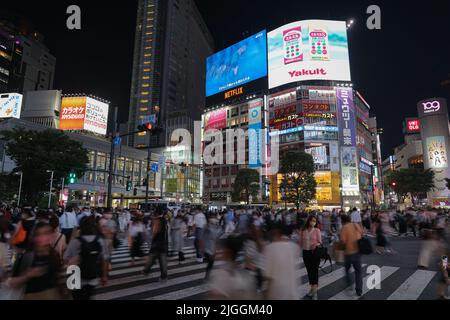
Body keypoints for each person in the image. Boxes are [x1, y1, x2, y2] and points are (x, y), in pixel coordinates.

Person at [7, 222, 64, 300]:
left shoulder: (54, 255)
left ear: (52, 235)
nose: (42, 237)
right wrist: (27, 276)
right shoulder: (26, 257)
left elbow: (59, 280)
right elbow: (11, 282)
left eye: (46, 233)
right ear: (33, 237)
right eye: (38, 234)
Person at [64, 216, 109, 300]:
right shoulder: (99, 240)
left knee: (76, 297)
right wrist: (104, 276)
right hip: (92, 276)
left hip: (75, 276)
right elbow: (104, 259)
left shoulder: (76, 241)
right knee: (88, 295)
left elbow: (66, 258)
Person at [208, 236, 255, 300]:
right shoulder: (245, 273)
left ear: (227, 252)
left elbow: (214, 296)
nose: (220, 252)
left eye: (222, 249)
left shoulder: (222, 274)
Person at [263, 223, 300, 300]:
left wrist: (266, 294)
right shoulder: (293, 247)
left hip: (277, 294)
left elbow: (269, 277)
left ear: (275, 232)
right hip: (292, 293)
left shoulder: (269, 249)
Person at [299, 215, 322, 300]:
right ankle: (312, 289)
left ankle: (315, 292)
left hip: (314, 253)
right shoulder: (303, 231)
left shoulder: (317, 230)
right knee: (309, 271)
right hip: (306, 253)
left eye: (314, 221)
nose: (313, 222)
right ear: (308, 221)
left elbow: (320, 242)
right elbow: (300, 242)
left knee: (314, 272)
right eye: (312, 220)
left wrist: (316, 244)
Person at [340, 214, 363, 297]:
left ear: (342, 221)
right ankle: (359, 290)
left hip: (348, 253)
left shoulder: (344, 228)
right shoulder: (355, 225)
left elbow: (343, 241)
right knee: (358, 272)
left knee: (347, 269)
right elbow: (361, 233)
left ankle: (349, 283)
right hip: (357, 252)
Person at [143, 208, 168, 281]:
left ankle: (146, 271)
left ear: (156, 213)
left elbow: (155, 232)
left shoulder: (157, 221)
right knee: (162, 261)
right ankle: (164, 276)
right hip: (163, 243)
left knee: (151, 259)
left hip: (156, 243)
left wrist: (151, 239)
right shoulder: (165, 220)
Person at [243, 221, 264, 291]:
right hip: (260, 271)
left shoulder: (249, 243)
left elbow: (248, 259)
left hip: (252, 272)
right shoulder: (260, 242)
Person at [203, 213, 223, 280]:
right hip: (206, 247)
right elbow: (202, 237)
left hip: (212, 247)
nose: (214, 219)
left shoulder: (217, 227)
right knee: (210, 262)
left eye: (215, 218)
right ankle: (207, 276)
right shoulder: (207, 226)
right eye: (212, 218)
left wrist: (216, 248)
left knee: (211, 263)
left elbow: (217, 238)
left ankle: (207, 275)